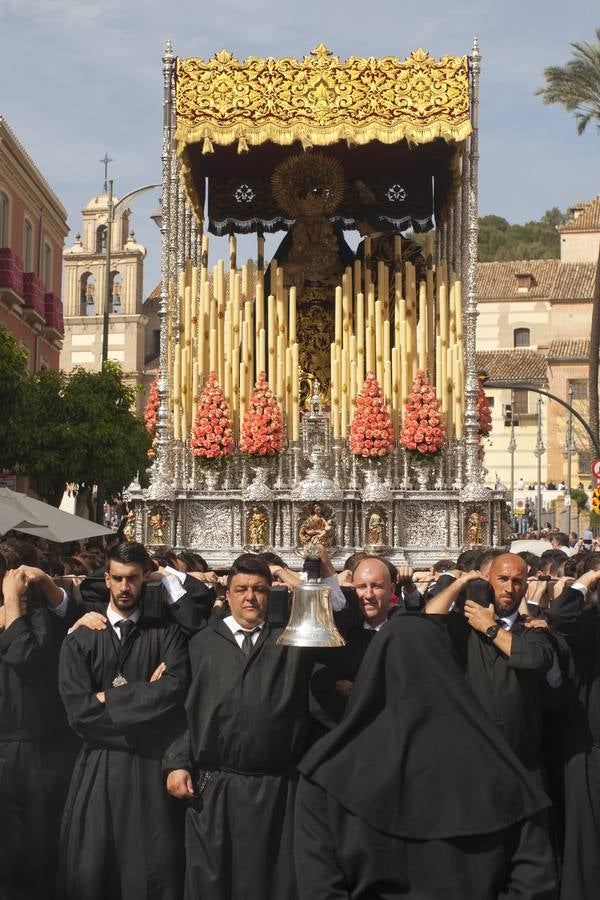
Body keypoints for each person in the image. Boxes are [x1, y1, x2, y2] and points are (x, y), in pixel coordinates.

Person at [295, 614, 557, 899]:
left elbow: (319, 889)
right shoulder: (500, 768)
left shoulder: (326, 776)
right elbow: (535, 884)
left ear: (373, 670)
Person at [164, 552, 346, 900]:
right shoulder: (201, 644)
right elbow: (180, 711)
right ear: (228, 594)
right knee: (215, 884)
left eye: (260, 589)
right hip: (217, 790)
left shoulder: (292, 640)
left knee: (276, 884)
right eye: (242, 589)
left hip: (280, 792)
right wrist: (176, 761)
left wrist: (313, 579)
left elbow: (338, 626)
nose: (250, 597)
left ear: (271, 593)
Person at [57, 541, 189, 900]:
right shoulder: (81, 638)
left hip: (149, 769)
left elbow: (174, 693)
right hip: (97, 771)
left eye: (132, 579)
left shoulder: (166, 634)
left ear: (146, 578)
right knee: (92, 873)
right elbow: (79, 714)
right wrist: (146, 693)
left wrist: (108, 698)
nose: (124, 587)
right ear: (107, 578)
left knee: (149, 872)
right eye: (117, 578)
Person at [426, 553, 555, 786]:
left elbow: (536, 660)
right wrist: (459, 582)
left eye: (517, 581)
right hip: (471, 763)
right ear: (488, 581)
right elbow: (430, 619)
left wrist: (491, 628)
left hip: (523, 765)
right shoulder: (463, 627)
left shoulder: (532, 628)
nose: (509, 588)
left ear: (526, 586)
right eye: (502, 579)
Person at [546, 559, 600, 899]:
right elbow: (560, 616)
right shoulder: (591, 625)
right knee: (587, 851)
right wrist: (587, 579)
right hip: (592, 751)